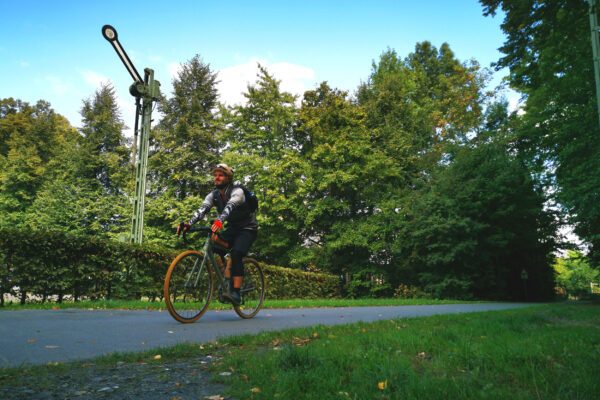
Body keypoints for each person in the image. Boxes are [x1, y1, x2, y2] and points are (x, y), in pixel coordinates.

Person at [178, 163, 258, 305]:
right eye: (215, 175)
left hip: (247, 228)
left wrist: (219, 221)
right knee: (214, 246)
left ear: (228, 177)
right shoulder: (213, 195)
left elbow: (229, 207)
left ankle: (236, 292)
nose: (217, 178)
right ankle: (227, 277)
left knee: (237, 253)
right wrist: (189, 224)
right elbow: (202, 209)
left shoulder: (237, 191)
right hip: (233, 228)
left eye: (220, 175)